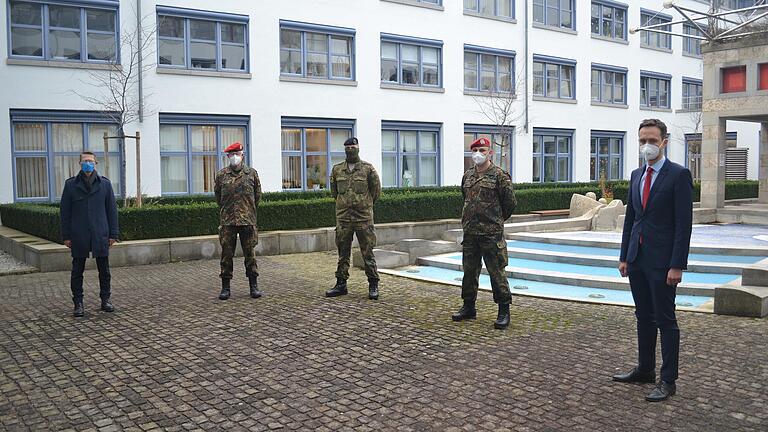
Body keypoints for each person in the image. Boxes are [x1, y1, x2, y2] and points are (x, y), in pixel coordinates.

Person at [614, 118, 693, 402]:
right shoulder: (637, 175)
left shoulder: (678, 175)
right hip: (637, 258)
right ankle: (645, 369)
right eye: (642, 141)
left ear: (664, 142)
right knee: (643, 317)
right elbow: (631, 219)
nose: (647, 146)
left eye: (652, 141)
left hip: (663, 263)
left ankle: (668, 380)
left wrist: (677, 264)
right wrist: (625, 256)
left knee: (665, 319)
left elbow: (684, 225)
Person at [451, 137, 517, 329]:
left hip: (491, 234)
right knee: (469, 272)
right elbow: (466, 199)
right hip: (470, 233)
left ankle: (504, 310)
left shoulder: (499, 176)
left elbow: (510, 203)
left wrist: (495, 220)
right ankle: (468, 306)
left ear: (490, 153)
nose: (478, 154)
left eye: (482, 150)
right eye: (475, 150)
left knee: (496, 273)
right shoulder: (468, 176)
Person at [60, 151, 119, 317]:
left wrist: (113, 234)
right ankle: (78, 303)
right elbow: (65, 212)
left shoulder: (105, 184)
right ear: (80, 163)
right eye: (85, 161)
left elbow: (112, 211)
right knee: (77, 271)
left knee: (104, 270)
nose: (88, 163)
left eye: (90, 161)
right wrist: (66, 236)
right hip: (78, 234)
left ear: (96, 163)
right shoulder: (71, 185)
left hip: (100, 233)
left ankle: (105, 300)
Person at [326, 137, 382, 300]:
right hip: (343, 218)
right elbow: (334, 193)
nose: (350, 149)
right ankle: (341, 284)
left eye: (353, 147)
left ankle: (373, 283)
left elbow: (376, 191)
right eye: (348, 147)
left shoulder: (367, 169)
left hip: (363, 218)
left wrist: (364, 205)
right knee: (343, 252)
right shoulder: (337, 170)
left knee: (367, 252)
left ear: (358, 148)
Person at [214, 142, 262, 300]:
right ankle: (225, 288)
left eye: (237, 153)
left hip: (247, 221)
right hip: (228, 222)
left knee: (250, 255)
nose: (235, 157)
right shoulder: (221, 175)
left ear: (243, 155)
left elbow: (257, 197)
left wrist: (248, 212)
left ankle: (253, 286)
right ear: (228, 156)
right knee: (226, 255)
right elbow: (218, 198)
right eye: (231, 154)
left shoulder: (252, 174)